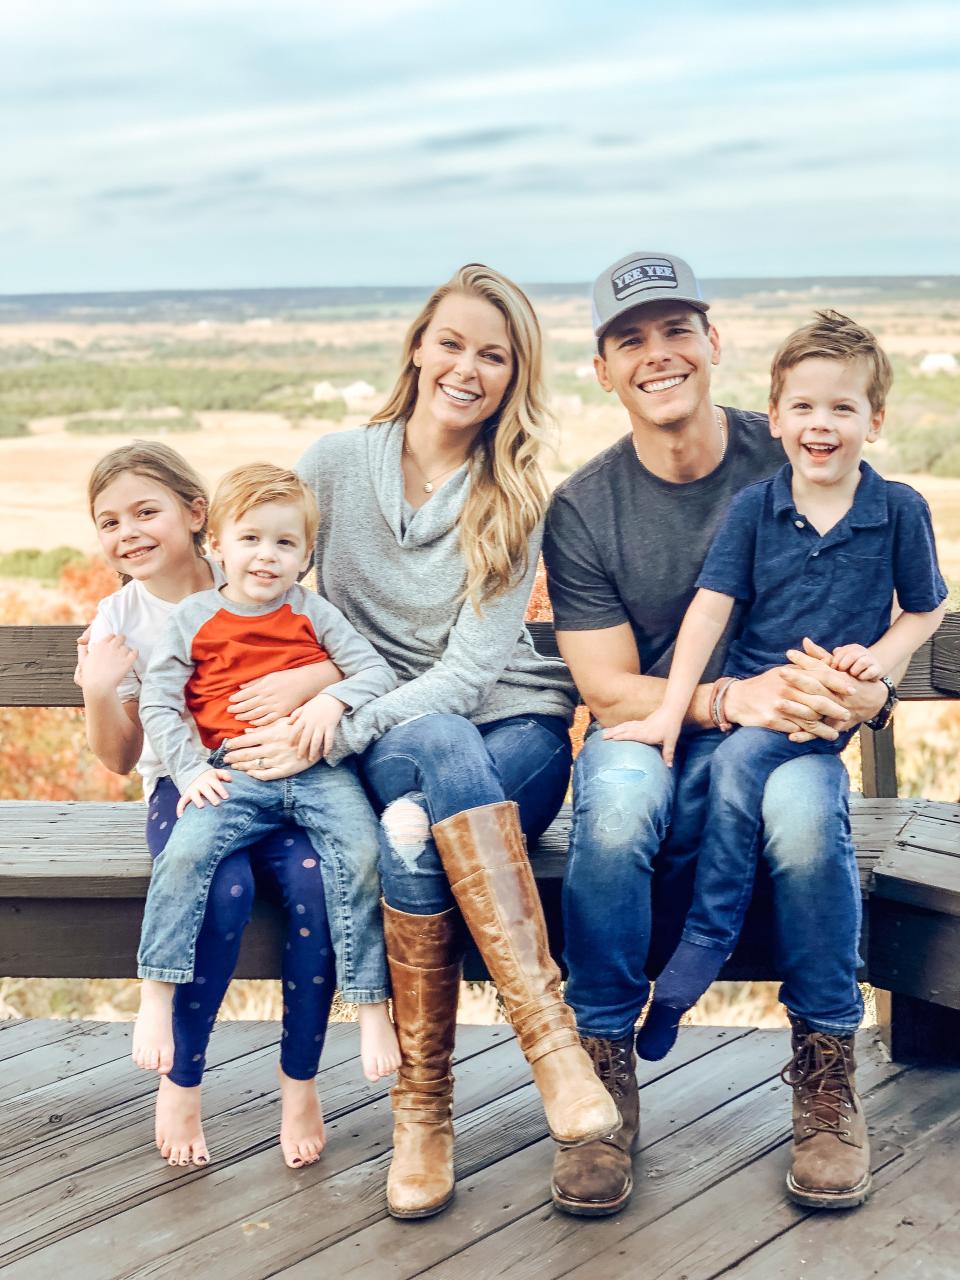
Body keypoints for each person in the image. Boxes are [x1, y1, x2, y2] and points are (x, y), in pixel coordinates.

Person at [224, 264, 620, 1220]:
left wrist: (335, 725)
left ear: (514, 376)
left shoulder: (513, 492)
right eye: (453, 343)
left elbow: (471, 675)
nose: (468, 367)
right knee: (424, 770)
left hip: (513, 734)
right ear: (416, 345)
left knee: (410, 824)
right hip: (402, 738)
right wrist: (131, 639)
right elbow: (271, 587)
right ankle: (550, 1052)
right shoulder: (331, 464)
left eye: (495, 355)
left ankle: (424, 1113)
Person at [543, 253, 899, 1217]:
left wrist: (866, 695)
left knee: (801, 819)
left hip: (787, 734)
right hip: (654, 727)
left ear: (712, 342)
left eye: (675, 331)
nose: (658, 355)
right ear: (604, 368)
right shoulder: (584, 507)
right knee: (613, 813)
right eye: (631, 340)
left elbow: (878, 591)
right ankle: (600, 1075)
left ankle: (825, 1073)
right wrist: (725, 700)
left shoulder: (791, 445)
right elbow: (609, 689)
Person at [607, 310, 946, 1089]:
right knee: (716, 791)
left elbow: (925, 608)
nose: (820, 425)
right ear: (775, 414)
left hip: (822, 721)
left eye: (841, 408)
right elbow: (711, 610)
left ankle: (703, 950)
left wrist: (881, 667)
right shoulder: (757, 508)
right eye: (803, 407)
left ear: (875, 419)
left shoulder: (897, 511)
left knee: (745, 787)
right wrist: (669, 710)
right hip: (760, 705)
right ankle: (702, 962)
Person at [79, 443, 347, 1169]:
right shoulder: (119, 616)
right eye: (110, 521)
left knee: (317, 884)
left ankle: (301, 1082)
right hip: (187, 787)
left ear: (199, 515)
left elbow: (339, 653)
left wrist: (316, 678)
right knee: (221, 892)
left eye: (146, 511)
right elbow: (120, 757)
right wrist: (101, 689)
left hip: (283, 779)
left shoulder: (256, 569)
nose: (128, 531)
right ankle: (182, 1080)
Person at [133, 463, 402, 1153]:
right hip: (234, 775)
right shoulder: (195, 616)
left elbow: (376, 672)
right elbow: (160, 699)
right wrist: (190, 770)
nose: (267, 556)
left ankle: (371, 1005)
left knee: (364, 850)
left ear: (306, 555)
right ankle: (155, 998)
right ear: (216, 543)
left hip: (316, 774)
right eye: (250, 538)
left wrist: (327, 699)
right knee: (189, 853)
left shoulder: (314, 613)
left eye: (286, 544)